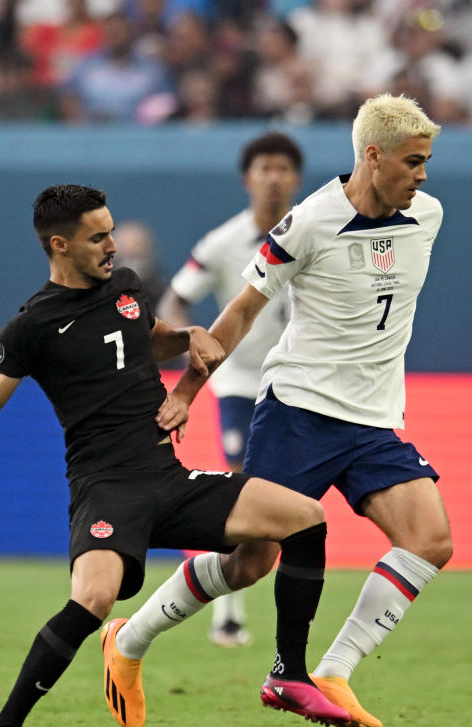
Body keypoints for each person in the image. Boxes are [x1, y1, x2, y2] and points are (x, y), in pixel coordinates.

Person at [0, 184, 350, 727]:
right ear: (59, 244)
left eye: (111, 232)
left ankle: (288, 674)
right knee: (94, 599)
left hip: (167, 478)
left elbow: (147, 342)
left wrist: (189, 337)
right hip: (105, 488)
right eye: (98, 236)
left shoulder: (126, 289)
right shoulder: (29, 327)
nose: (112, 244)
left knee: (304, 519)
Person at [116, 93, 452, 727]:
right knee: (250, 563)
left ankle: (331, 673)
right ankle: (128, 639)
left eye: (428, 162)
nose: (423, 175)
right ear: (372, 156)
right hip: (297, 413)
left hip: (373, 423)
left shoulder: (428, 216)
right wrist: (187, 389)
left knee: (430, 540)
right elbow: (240, 310)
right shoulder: (308, 223)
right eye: (413, 162)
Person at [156, 131, 303, 648]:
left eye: (283, 168)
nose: (274, 178)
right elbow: (175, 299)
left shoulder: (316, 230)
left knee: (291, 503)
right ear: (248, 178)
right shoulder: (221, 243)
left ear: (296, 179)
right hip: (242, 383)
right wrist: (186, 347)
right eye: (264, 168)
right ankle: (229, 614)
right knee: (242, 485)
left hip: (300, 385)